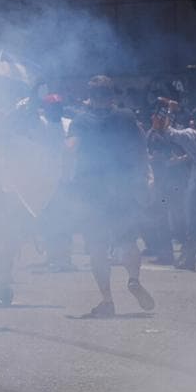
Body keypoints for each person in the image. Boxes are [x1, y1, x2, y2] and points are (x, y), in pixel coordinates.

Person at [64, 75, 155, 317]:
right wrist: (144, 178)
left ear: (91, 96)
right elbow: (141, 148)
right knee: (127, 240)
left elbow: (70, 148)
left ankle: (107, 300)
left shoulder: (81, 120)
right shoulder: (127, 117)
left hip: (92, 191)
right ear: (112, 95)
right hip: (122, 188)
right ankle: (133, 279)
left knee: (97, 246)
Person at [151, 104, 196, 271]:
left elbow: (166, 132)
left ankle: (189, 259)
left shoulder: (190, 134)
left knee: (193, 223)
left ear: (193, 121)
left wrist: (170, 110)